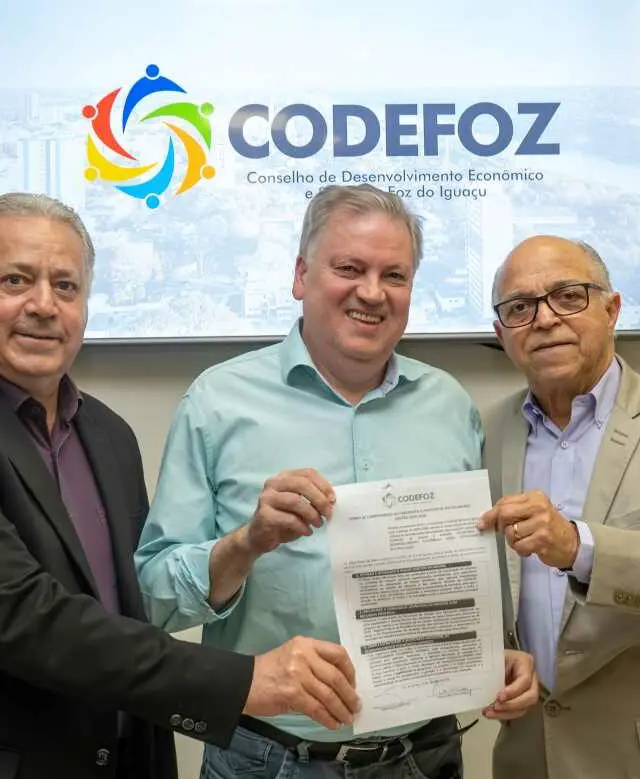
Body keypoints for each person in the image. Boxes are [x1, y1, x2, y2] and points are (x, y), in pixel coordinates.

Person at [136, 183, 539, 779]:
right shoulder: (217, 403)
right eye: (349, 268)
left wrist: (496, 652)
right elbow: (153, 599)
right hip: (268, 760)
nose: (372, 293)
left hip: (424, 757)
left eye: (394, 275)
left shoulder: (450, 406)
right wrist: (245, 543)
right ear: (301, 276)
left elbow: (468, 570)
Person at [0, 192, 360, 779]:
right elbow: (26, 617)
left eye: (65, 286)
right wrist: (244, 680)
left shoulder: (108, 435)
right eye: (15, 280)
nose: (43, 305)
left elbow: (132, 610)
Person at [479, 235, 640, 779]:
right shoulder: (487, 431)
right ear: (503, 334)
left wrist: (578, 547)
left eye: (568, 296)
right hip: (526, 754)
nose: (545, 319)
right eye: (520, 308)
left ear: (612, 310)